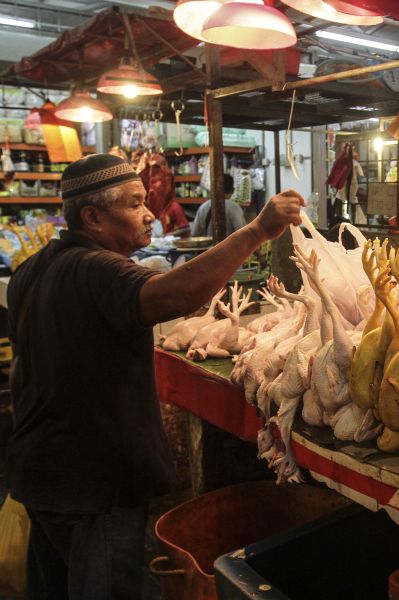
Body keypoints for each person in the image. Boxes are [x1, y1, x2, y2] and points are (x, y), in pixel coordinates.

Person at [6, 153, 303, 600]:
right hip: (95, 487)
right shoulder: (96, 268)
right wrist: (258, 230)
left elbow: (24, 373)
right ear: (92, 217)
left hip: (38, 474)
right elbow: (174, 295)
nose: (150, 215)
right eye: (133, 203)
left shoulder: (30, 270)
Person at [137, 153, 189, 237]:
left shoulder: (174, 207)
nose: (151, 190)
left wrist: (166, 236)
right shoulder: (147, 207)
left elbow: (186, 228)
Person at [191, 173, 247, 238]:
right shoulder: (233, 207)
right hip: (229, 247)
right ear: (233, 190)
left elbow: (195, 234)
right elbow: (244, 234)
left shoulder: (203, 207)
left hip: (210, 248)